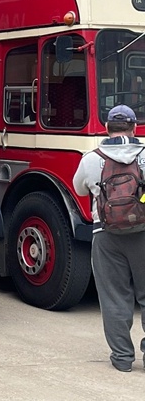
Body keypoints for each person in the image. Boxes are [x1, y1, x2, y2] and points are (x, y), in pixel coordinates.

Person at [73, 104, 145, 372]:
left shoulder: (92, 158)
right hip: (143, 233)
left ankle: (123, 359)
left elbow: (79, 187)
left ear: (106, 128)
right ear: (134, 127)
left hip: (105, 234)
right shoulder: (144, 156)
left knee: (115, 297)